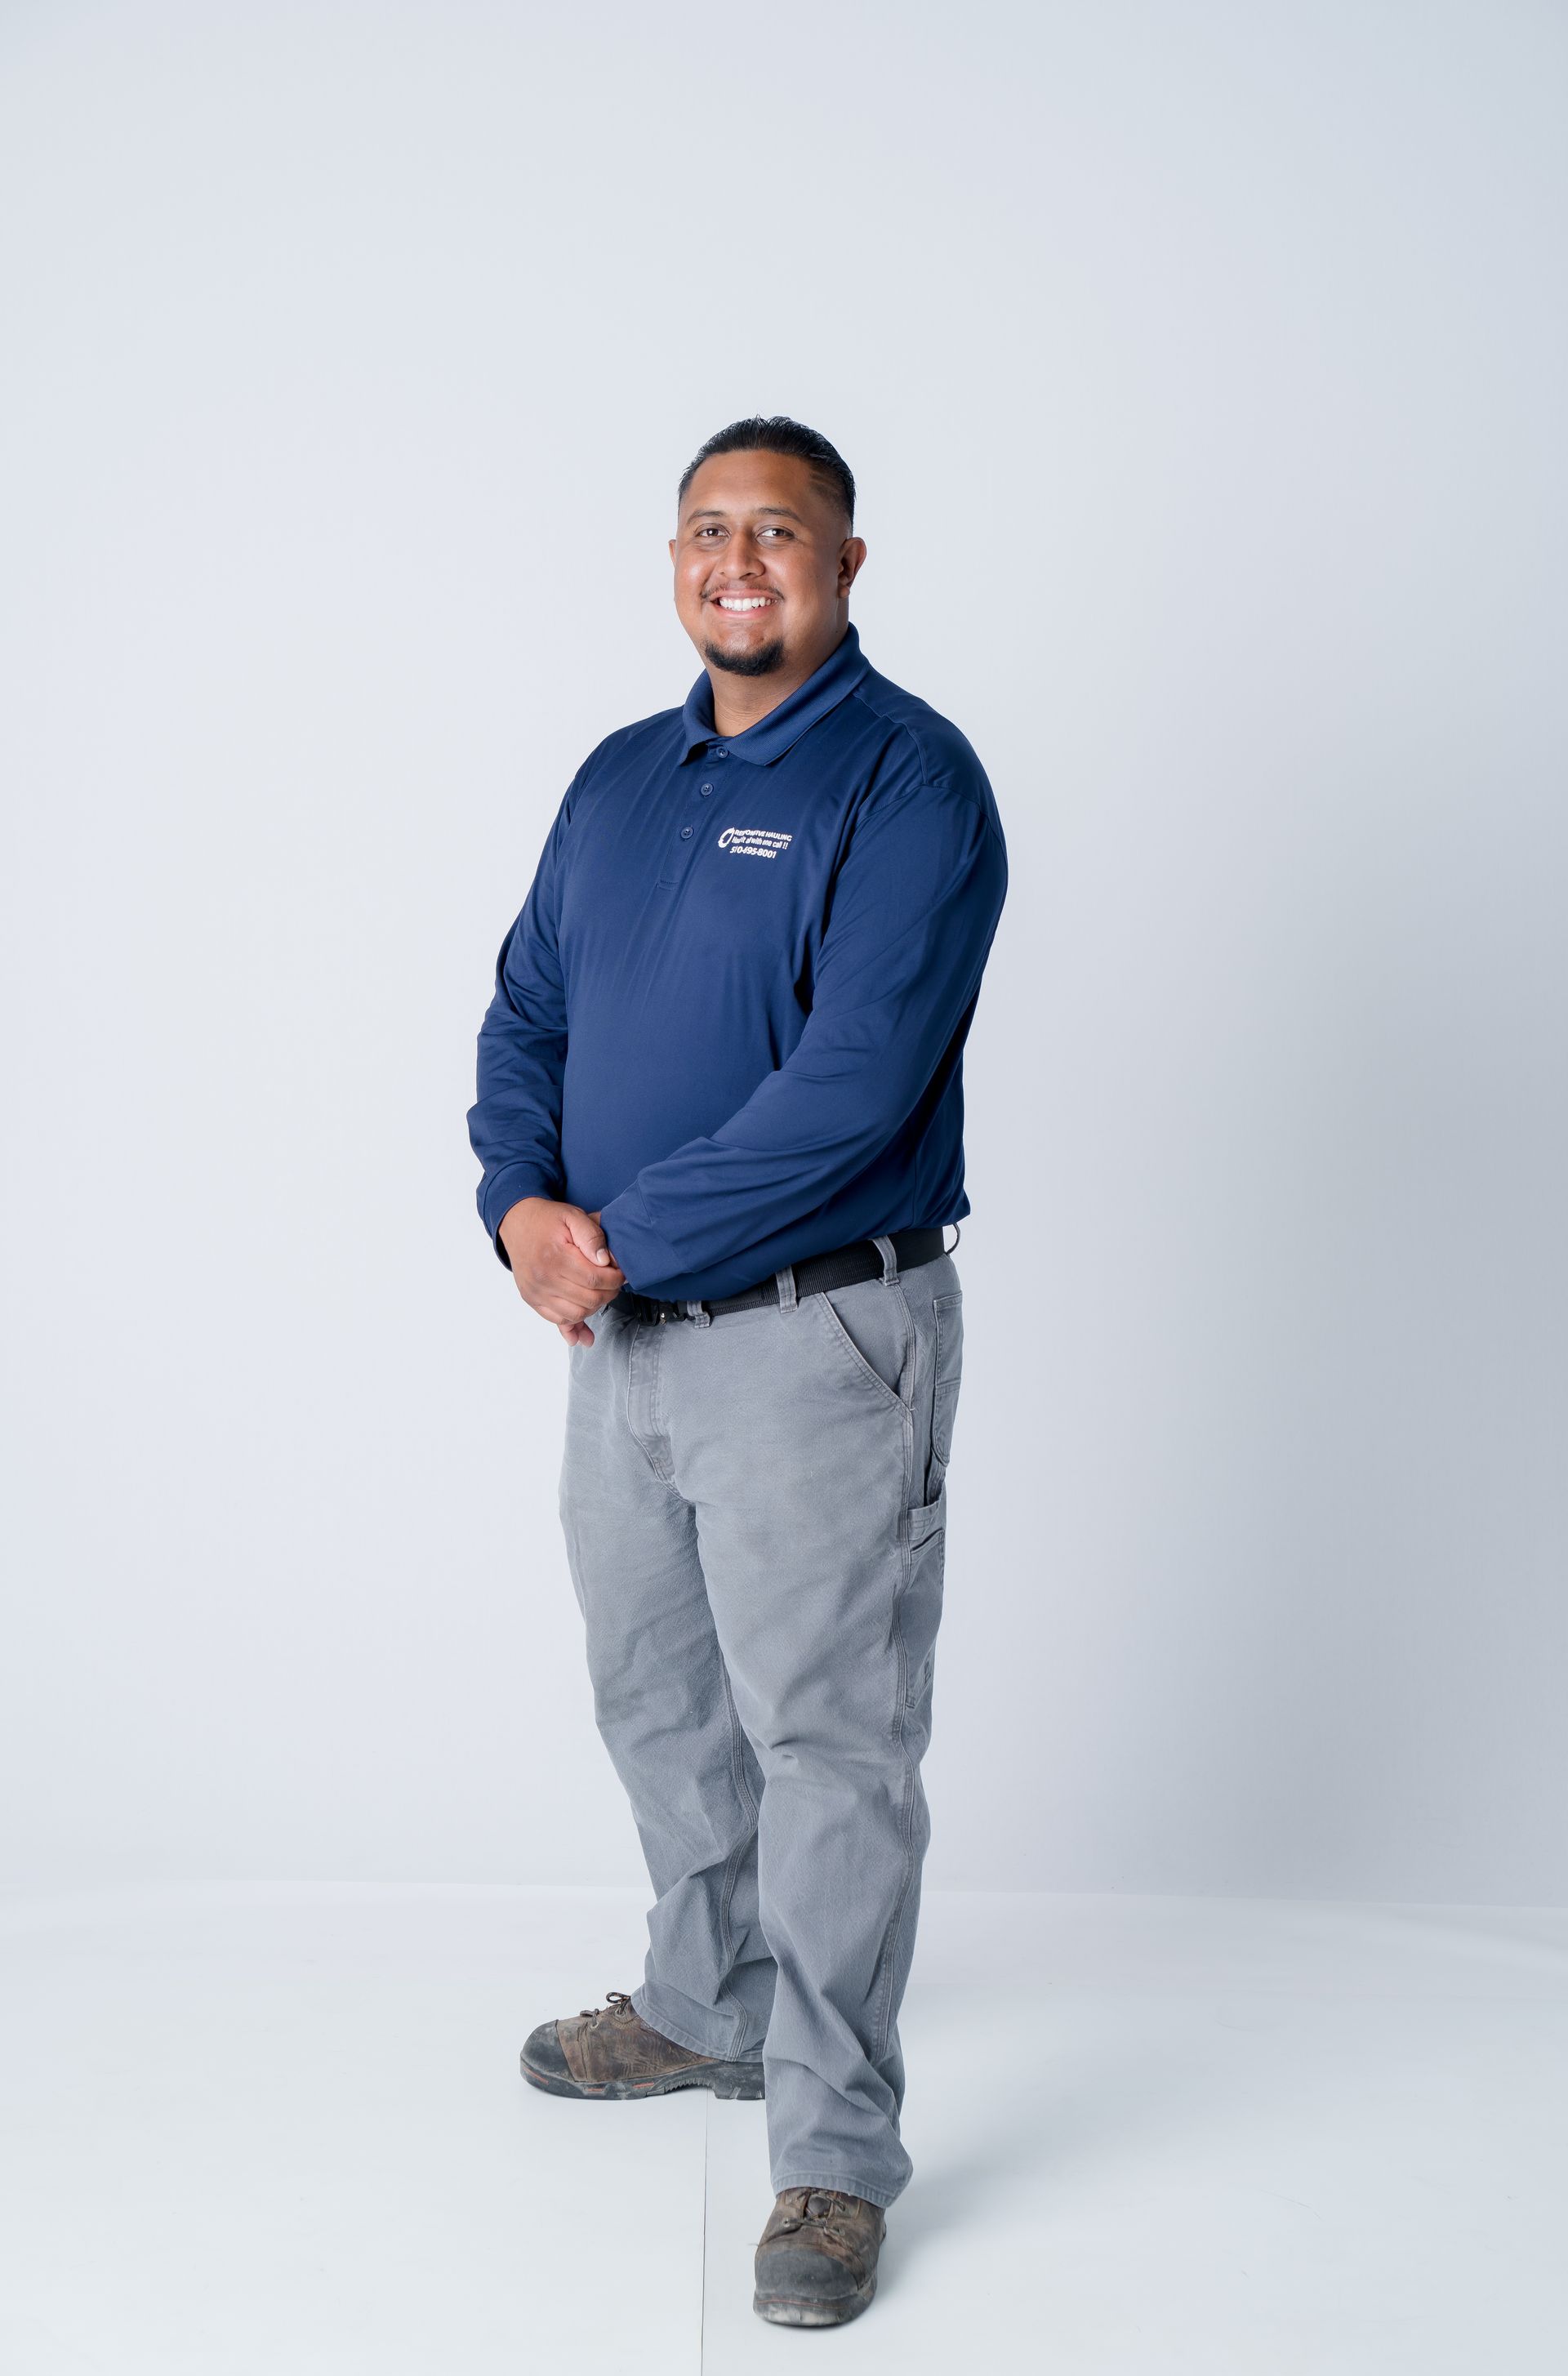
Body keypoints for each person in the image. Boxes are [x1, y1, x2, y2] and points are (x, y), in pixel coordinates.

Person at [467, 415, 1007, 2329]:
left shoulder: (911, 783)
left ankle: (835, 2156)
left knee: (831, 1746)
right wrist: (522, 1203)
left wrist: (621, 1235)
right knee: (661, 1701)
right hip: (618, 1345)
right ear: (674, 560)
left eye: (779, 530)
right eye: (708, 529)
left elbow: (854, 1085)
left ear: (847, 565)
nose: (739, 560)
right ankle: (708, 2010)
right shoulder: (621, 778)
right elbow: (528, 1004)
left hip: (817, 1339)